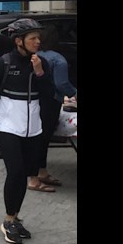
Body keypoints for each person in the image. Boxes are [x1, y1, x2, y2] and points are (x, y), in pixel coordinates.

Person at [0, 18, 56, 244]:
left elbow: (50, 95)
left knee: (26, 173)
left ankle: (16, 216)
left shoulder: (42, 63)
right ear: (19, 41)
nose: (37, 42)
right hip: (7, 125)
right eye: (33, 38)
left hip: (32, 127)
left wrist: (40, 72)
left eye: (38, 38)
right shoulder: (3, 63)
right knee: (16, 172)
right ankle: (9, 220)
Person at [31, 26, 78, 192]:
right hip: (51, 101)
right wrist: (74, 93)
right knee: (43, 139)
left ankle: (41, 172)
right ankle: (35, 176)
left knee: (40, 138)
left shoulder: (35, 56)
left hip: (35, 101)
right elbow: (61, 83)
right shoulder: (59, 59)